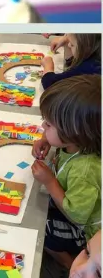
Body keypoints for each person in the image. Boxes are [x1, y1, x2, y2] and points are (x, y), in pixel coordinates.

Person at [31, 75, 102, 271]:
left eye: (49, 125)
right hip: (74, 205)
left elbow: (77, 216)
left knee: (40, 225)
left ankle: (68, 263)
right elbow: (57, 137)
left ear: (73, 132)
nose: (43, 127)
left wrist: (50, 181)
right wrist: (47, 138)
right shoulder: (77, 142)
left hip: (87, 232)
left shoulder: (84, 170)